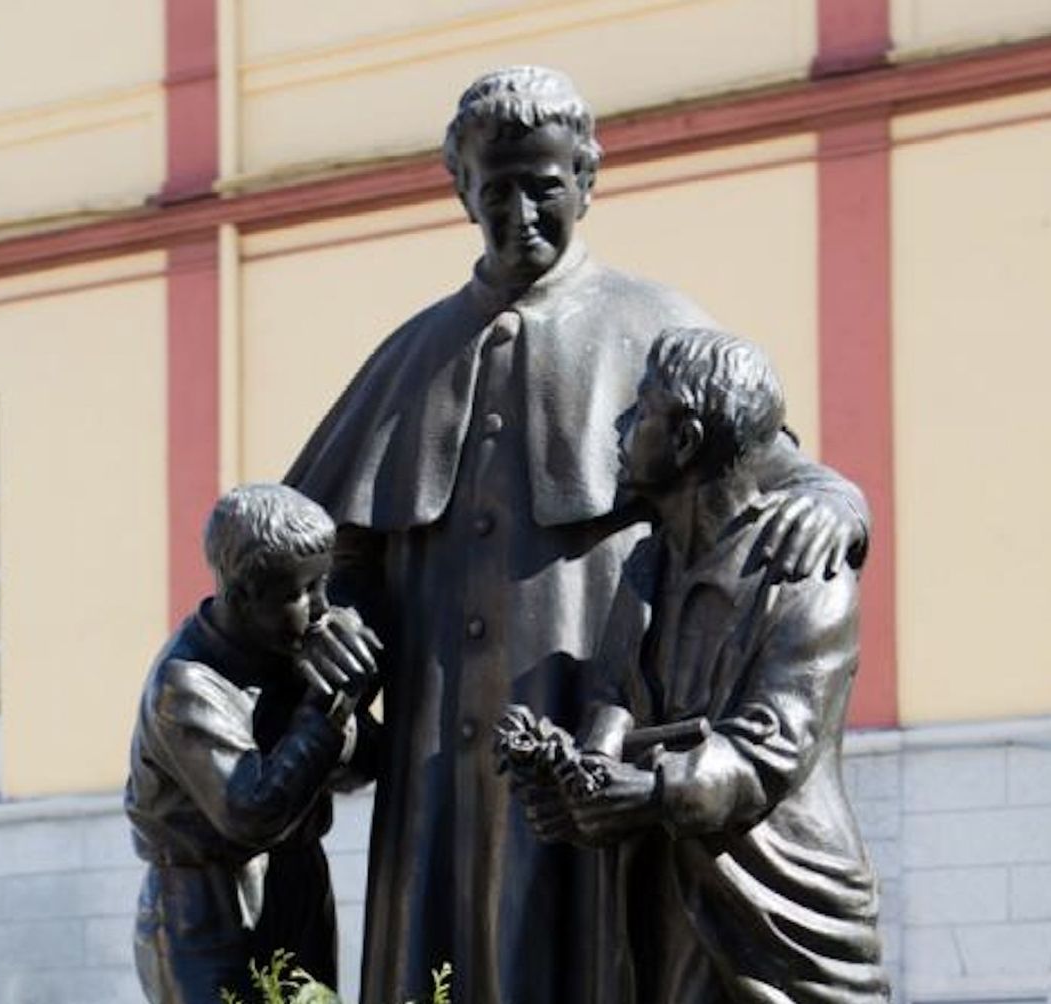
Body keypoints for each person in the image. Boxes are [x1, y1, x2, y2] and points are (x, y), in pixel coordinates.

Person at [286, 66, 869, 1003]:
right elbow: (327, 549)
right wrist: (334, 619)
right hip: (436, 753)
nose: (519, 214)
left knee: (580, 949)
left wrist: (841, 501)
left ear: (586, 181)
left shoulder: (658, 327)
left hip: (585, 723)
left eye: (543, 188)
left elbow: (768, 466)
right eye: (496, 190)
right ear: (462, 192)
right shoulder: (412, 354)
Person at [525, 328, 888, 1003]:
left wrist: (651, 789)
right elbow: (613, 695)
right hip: (664, 894)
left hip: (779, 900)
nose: (623, 426)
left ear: (686, 439)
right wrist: (581, 784)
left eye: (642, 410)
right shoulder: (646, 565)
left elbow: (772, 744)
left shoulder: (803, 573)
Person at [126, 484, 380, 1004]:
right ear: (241, 596)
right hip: (206, 914)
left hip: (296, 887)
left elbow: (362, 767)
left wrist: (350, 692)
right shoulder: (188, 686)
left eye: (323, 584)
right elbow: (252, 812)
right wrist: (326, 712)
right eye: (299, 593)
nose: (320, 607)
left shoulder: (288, 648)